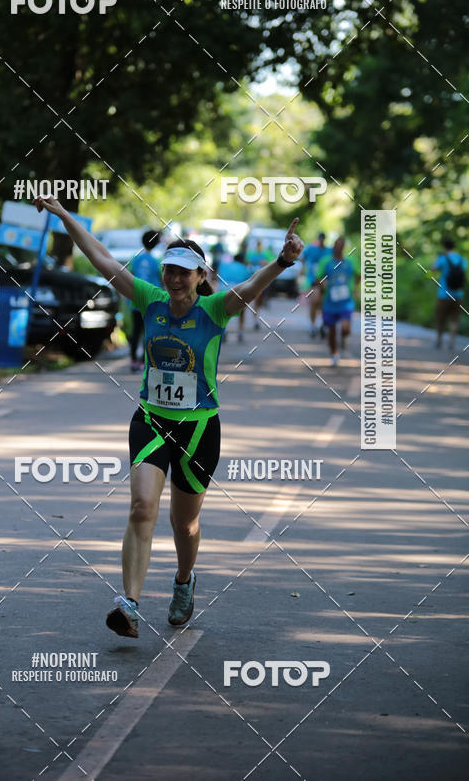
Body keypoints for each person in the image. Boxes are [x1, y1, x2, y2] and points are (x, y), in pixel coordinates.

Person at [33, 194, 304, 638]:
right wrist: (65, 217)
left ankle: (184, 581)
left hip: (199, 430)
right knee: (142, 507)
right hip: (151, 421)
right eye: (169, 270)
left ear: (200, 277)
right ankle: (130, 603)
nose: (175, 279)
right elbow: (100, 257)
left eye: (184, 272)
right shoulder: (150, 300)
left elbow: (251, 288)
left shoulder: (214, 311)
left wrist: (281, 262)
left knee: (185, 522)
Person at [315, 236, 359, 366]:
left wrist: (355, 288)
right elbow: (318, 278)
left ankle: (344, 337)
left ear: (344, 247)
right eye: (336, 245)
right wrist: (322, 284)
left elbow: (359, 275)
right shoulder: (325, 261)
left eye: (341, 245)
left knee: (345, 329)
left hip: (346, 301)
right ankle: (334, 353)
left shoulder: (351, 261)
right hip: (330, 301)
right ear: (333, 247)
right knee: (332, 331)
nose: (338, 248)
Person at [129, 230, 161, 371]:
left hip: (135, 300)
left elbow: (130, 276)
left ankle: (132, 360)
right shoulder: (157, 262)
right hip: (151, 302)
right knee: (148, 331)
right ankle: (143, 361)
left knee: (135, 330)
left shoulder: (135, 259)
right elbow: (162, 280)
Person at [431, 238, 466, 350]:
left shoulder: (442, 258)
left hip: (444, 294)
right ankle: (451, 341)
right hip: (458, 294)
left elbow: (432, 271)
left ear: (444, 247)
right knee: (454, 318)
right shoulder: (462, 259)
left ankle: (439, 340)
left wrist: (436, 259)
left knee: (441, 318)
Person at [216, 253, 252, 342]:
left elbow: (218, 277)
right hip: (238, 291)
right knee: (242, 311)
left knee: (223, 313)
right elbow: (249, 282)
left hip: (223, 291)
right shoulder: (244, 268)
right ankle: (240, 331)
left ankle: (223, 331)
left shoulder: (224, 266)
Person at [301, 232, 328, 337]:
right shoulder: (310, 249)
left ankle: (322, 325)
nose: (321, 241)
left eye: (322, 239)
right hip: (312, 281)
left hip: (324, 281)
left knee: (322, 304)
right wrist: (305, 270)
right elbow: (302, 258)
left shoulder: (328, 251)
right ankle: (312, 325)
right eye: (320, 239)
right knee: (314, 301)